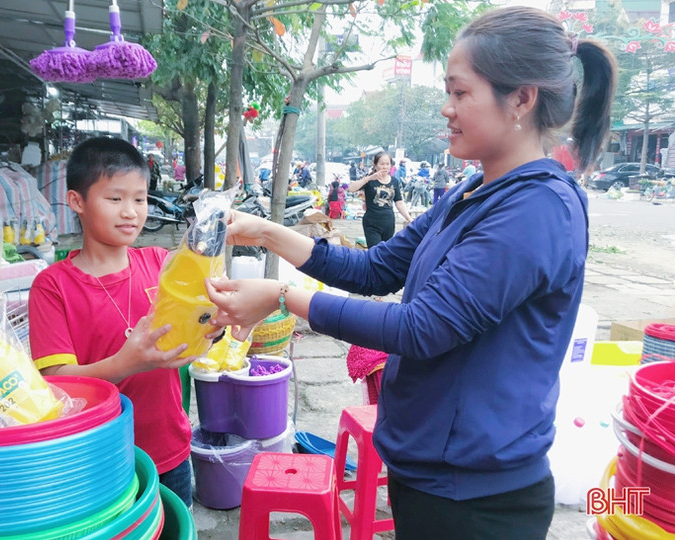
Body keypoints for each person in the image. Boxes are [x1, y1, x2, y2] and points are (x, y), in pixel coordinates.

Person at [203, 6, 616, 539]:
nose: (446, 108)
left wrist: (285, 296)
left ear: (522, 98)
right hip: (429, 468)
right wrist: (267, 233)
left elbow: (421, 328)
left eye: (460, 93)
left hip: (478, 497)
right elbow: (377, 268)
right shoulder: (470, 192)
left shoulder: (537, 211)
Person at [27, 137, 213, 508]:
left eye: (140, 199)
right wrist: (128, 363)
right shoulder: (53, 286)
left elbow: (193, 327)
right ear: (77, 201)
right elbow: (58, 383)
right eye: (115, 199)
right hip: (97, 456)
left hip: (168, 449)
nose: (130, 212)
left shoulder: (162, 264)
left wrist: (212, 326)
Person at [347, 151, 413, 247]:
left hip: (388, 222)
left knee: (386, 252)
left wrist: (409, 219)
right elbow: (351, 188)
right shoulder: (369, 180)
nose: (385, 167)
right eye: (382, 164)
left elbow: (399, 202)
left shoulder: (394, 181)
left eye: (387, 164)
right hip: (372, 222)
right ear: (375, 165)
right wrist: (369, 178)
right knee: (375, 252)